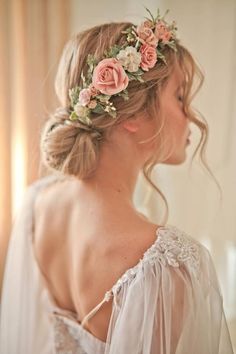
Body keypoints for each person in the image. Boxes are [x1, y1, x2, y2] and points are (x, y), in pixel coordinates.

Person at [0, 8, 234, 354]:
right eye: (181, 97)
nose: (192, 117)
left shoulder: (37, 203)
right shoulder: (169, 264)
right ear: (134, 116)